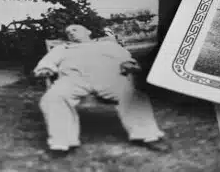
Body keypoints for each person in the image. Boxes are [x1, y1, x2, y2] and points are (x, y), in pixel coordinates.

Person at [33, 24, 168, 156]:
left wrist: (128, 64)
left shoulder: (108, 45)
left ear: (88, 31)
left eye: (75, 29)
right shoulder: (62, 48)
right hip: (73, 79)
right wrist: (45, 69)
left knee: (133, 95)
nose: (71, 32)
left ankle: (148, 136)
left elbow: (125, 57)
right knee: (53, 98)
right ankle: (61, 143)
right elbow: (47, 62)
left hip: (108, 77)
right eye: (68, 32)